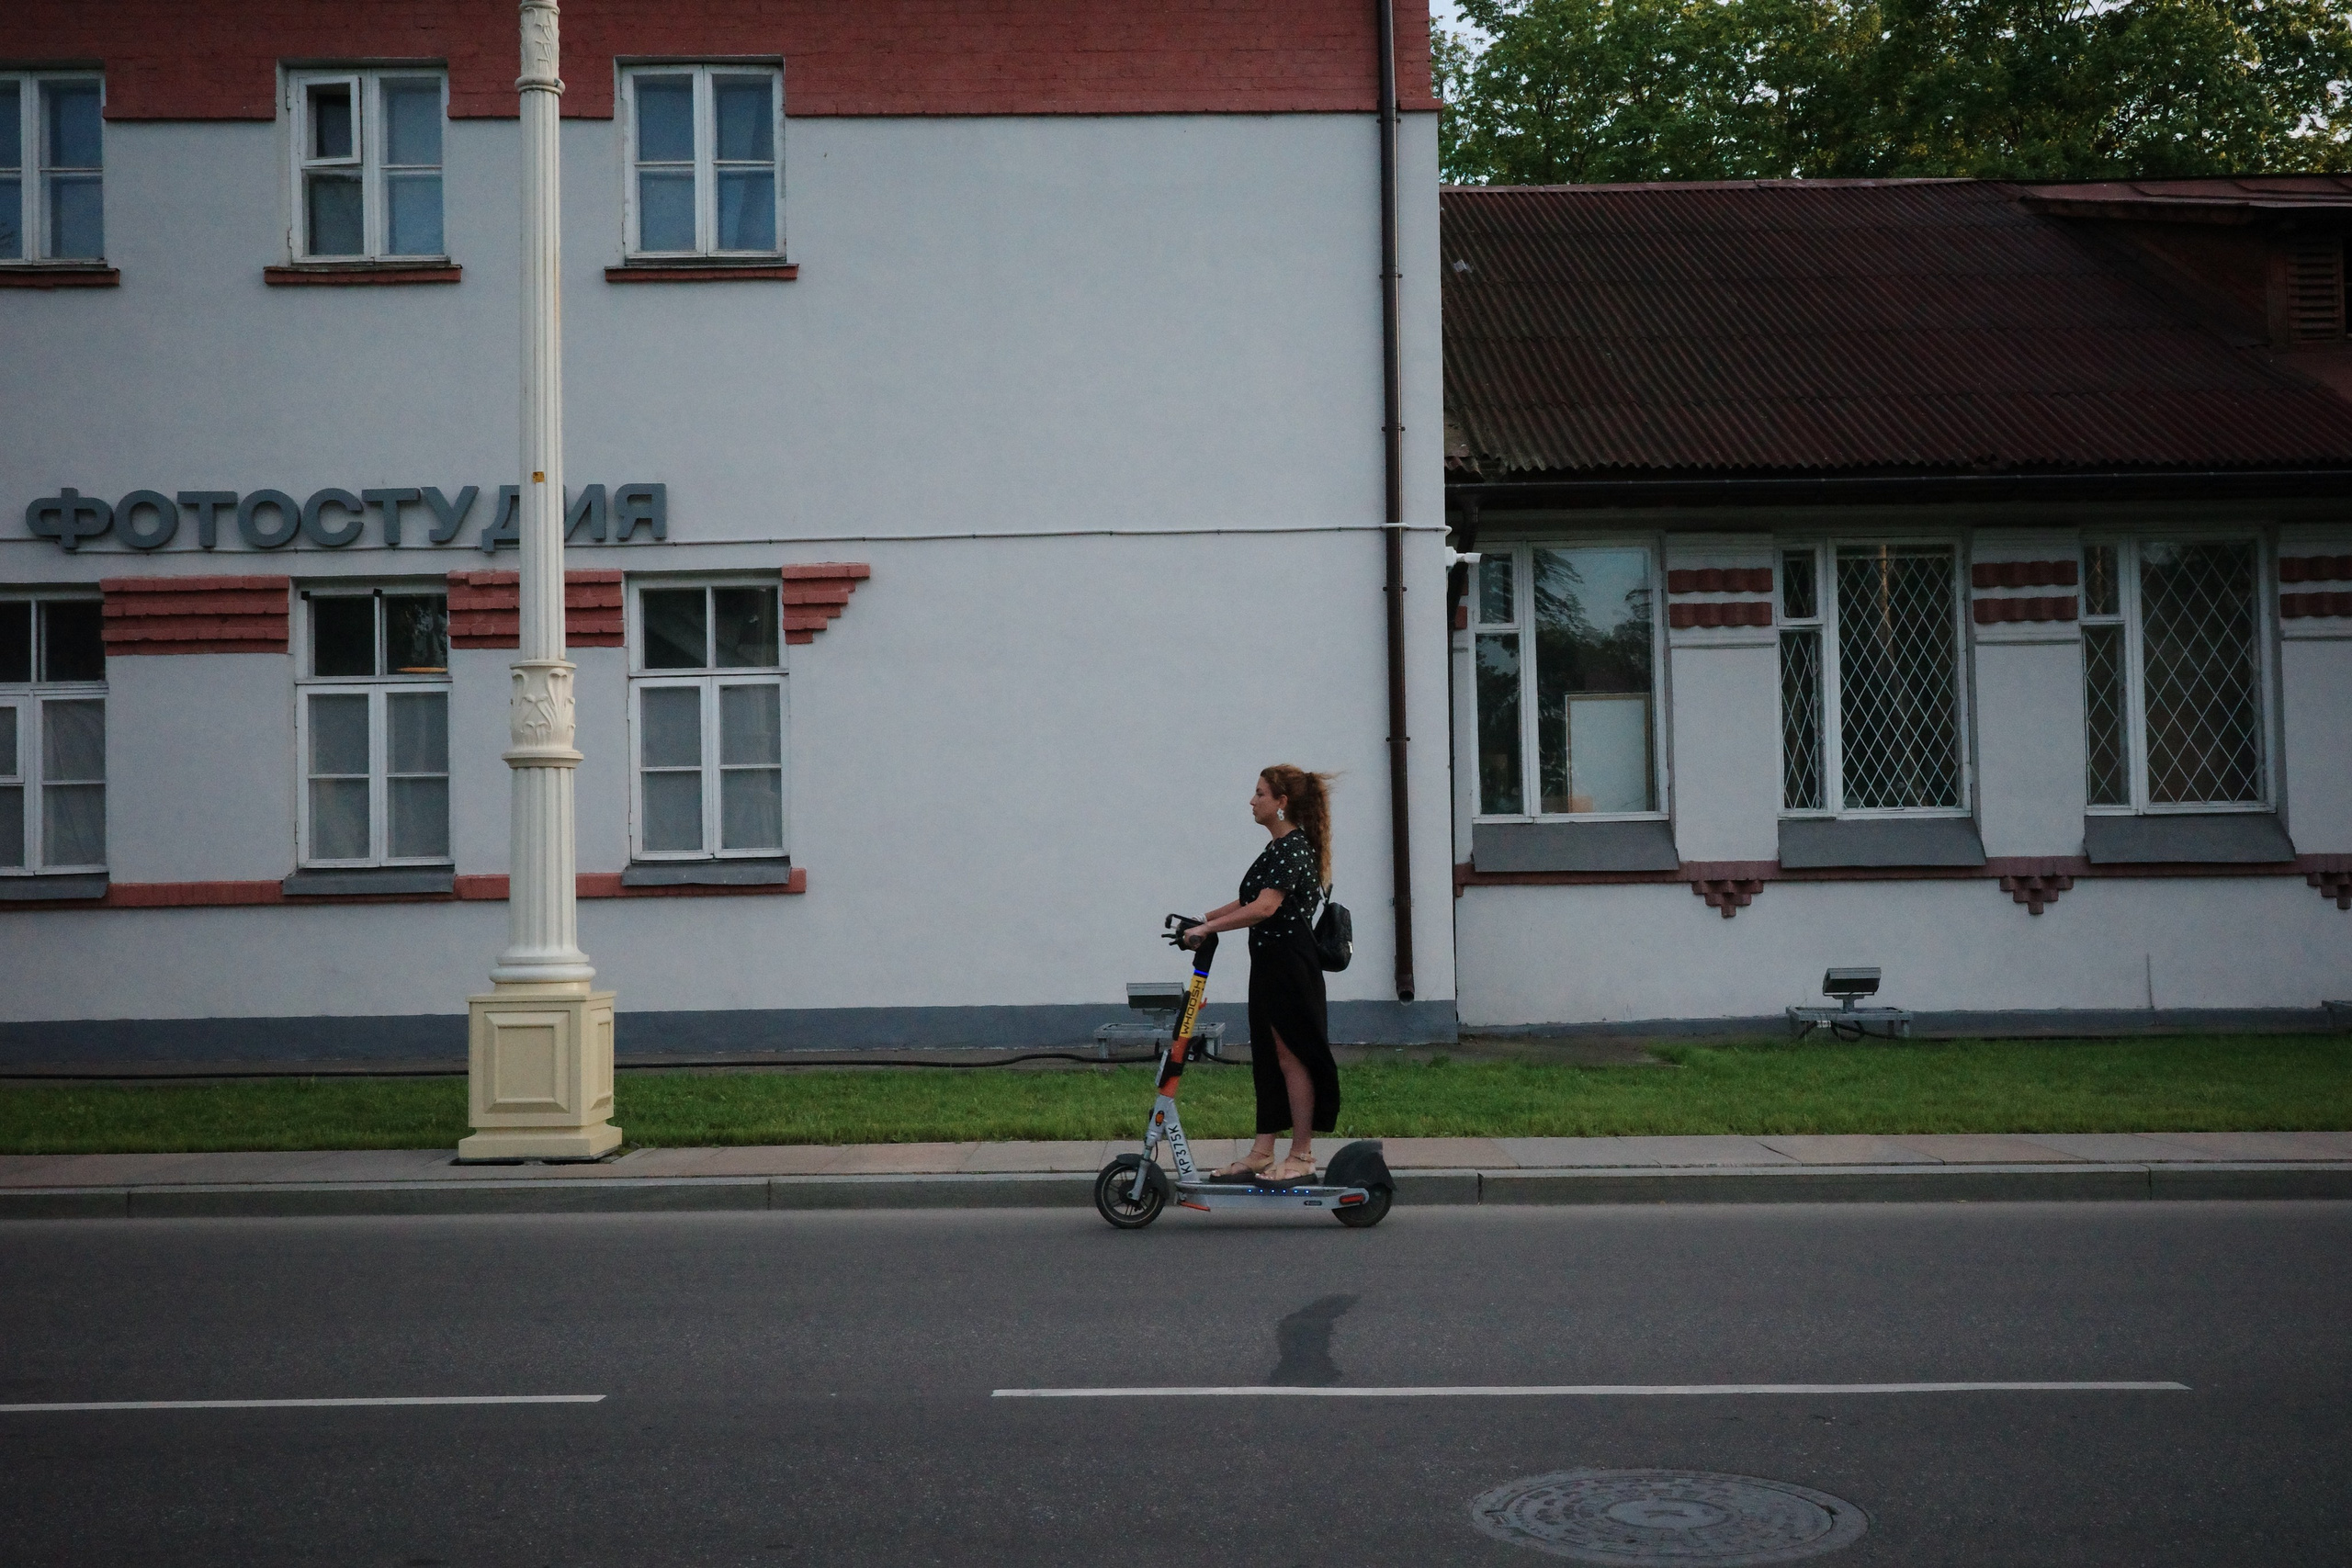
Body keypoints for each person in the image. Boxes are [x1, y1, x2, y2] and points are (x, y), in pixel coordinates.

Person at [1179, 765, 1340, 1183]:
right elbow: (1248, 899)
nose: (1252, 801)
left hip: (1290, 965)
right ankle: (1261, 1152)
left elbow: (1266, 907)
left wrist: (1208, 929)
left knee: (1293, 1057)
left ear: (1281, 802)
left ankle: (1301, 1155)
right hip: (1270, 963)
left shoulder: (1292, 848)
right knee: (1270, 1058)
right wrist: (1199, 920)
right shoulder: (1276, 849)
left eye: (1260, 794)